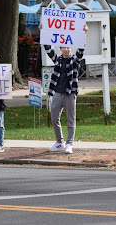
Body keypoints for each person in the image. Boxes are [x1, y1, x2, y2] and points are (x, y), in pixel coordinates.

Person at [39, 23, 88, 154]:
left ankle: (69, 144)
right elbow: (48, 48)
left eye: (68, 47)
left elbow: (81, 50)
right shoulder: (57, 60)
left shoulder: (75, 60)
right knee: (54, 117)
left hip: (70, 93)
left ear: (71, 47)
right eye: (64, 47)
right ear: (60, 48)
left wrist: (84, 33)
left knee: (71, 119)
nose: (66, 49)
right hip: (57, 92)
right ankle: (59, 141)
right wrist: (42, 31)